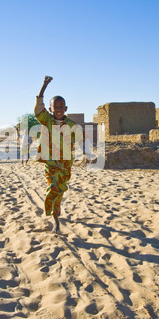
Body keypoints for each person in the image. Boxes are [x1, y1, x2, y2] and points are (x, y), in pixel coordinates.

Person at [34, 76, 95, 234]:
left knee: (60, 191)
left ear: (66, 108)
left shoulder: (72, 126)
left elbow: (82, 140)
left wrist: (88, 154)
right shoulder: (46, 120)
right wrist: (44, 86)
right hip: (51, 165)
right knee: (53, 188)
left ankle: (56, 212)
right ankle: (56, 221)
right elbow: (38, 107)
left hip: (66, 166)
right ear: (51, 109)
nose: (59, 109)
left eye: (61, 106)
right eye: (56, 106)